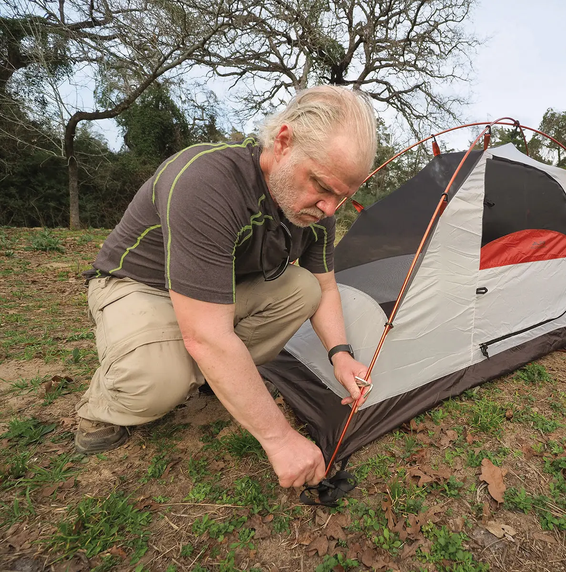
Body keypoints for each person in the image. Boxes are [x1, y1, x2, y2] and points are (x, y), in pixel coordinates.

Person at [74, 86, 378, 489]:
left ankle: (214, 378)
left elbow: (324, 286)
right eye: (322, 185)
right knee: (156, 381)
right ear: (284, 142)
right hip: (140, 285)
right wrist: (279, 438)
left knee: (302, 289)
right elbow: (205, 335)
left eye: (343, 197)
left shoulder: (318, 209)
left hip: (216, 294)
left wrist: (341, 354)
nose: (329, 208)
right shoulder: (207, 181)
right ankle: (101, 405)